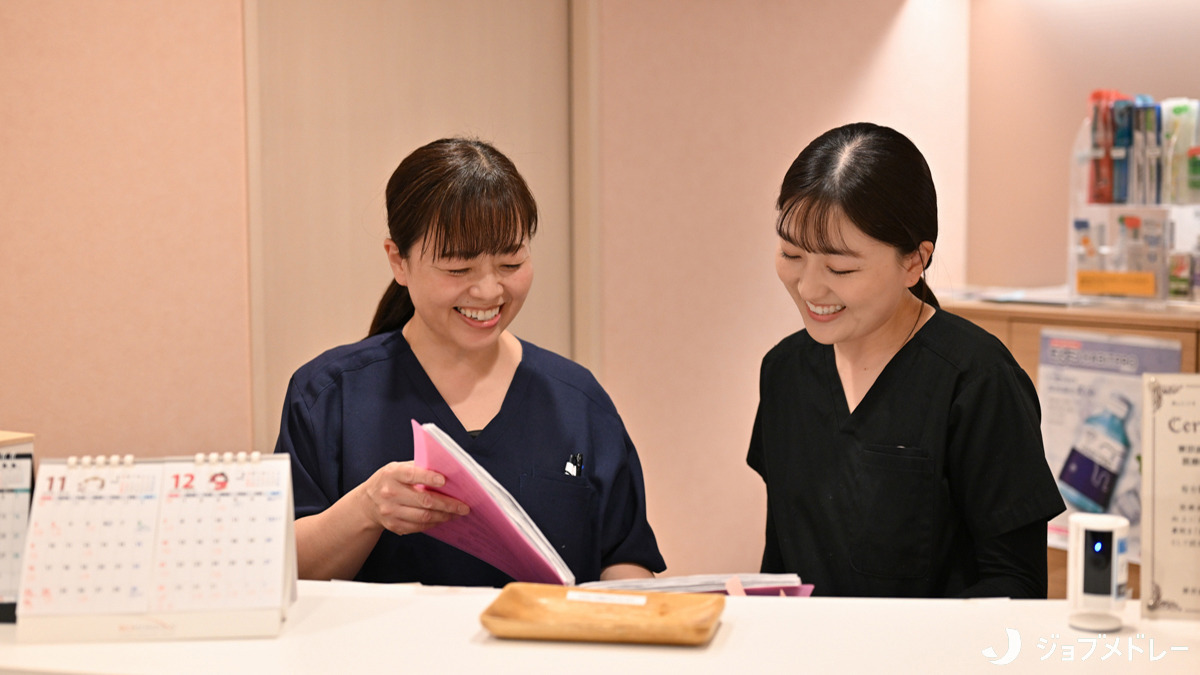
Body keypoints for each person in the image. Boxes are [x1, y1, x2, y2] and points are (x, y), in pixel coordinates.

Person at [276, 137, 664, 586]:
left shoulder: (576, 400)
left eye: (511, 263)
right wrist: (366, 509)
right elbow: (283, 572)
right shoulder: (328, 396)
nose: (488, 292)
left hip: (548, 655)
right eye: (458, 270)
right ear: (398, 261)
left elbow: (624, 557)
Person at [747, 122, 1065, 598]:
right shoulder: (784, 372)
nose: (809, 288)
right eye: (791, 254)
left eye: (840, 268)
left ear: (915, 261)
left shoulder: (977, 380)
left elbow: (1014, 585)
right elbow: (782, 561)